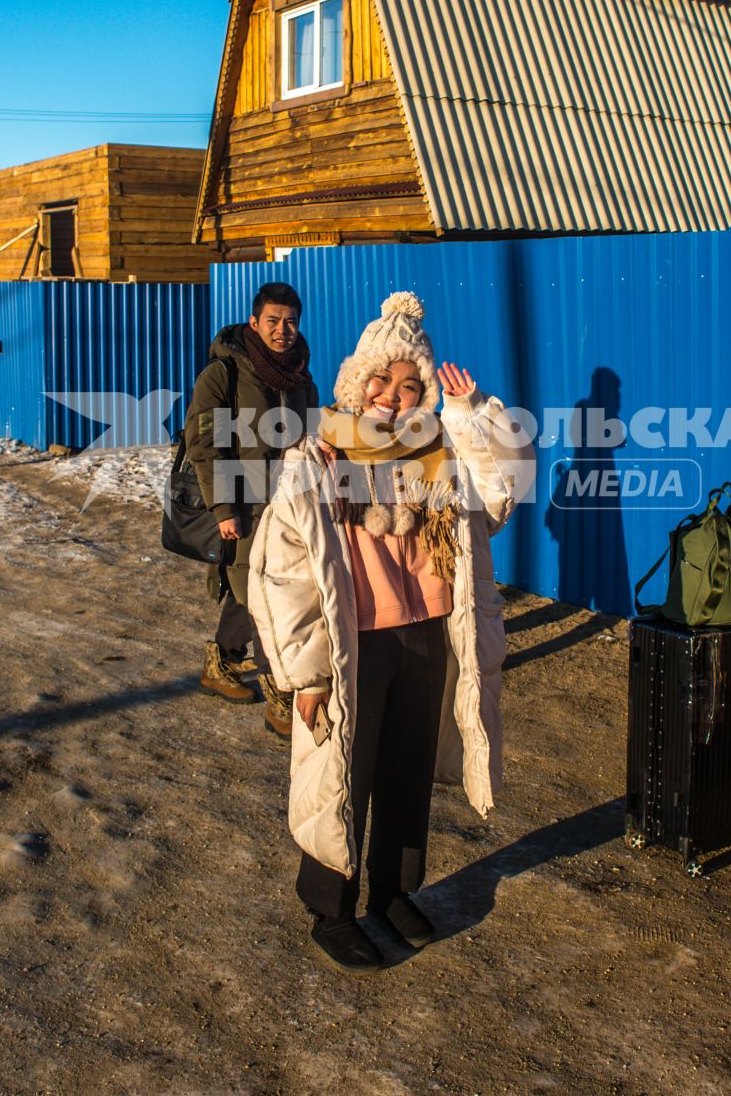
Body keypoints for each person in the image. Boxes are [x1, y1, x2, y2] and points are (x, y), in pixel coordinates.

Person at [247, 292, 527, 973]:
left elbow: (496, 501)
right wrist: (305, 674)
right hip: (354, 645)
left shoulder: (441, 453)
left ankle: (395, 893)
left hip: (427, 634)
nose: (394, 398)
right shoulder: (317, 457)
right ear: (355, 381)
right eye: (381, 380)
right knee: (342, 773)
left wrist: (468, 417)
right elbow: (282, 576)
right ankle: (331, 908)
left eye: (411, 386)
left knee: (405, 775)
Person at [182, 282, 319, 739]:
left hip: (289, 503)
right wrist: (224, 507)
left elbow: (314, 435)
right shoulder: (224, 373)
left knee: (261, 591)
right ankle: (281, 692)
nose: (283, 331)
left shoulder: (301, 375)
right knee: (262, 598)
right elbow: (205, 444)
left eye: (291, 322)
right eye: (273, 321)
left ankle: (220, 664)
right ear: (254, 322)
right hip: (243, 502)